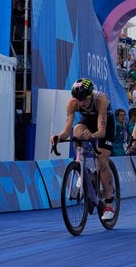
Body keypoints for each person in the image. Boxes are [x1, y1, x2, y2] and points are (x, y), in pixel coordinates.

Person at [50, 78, 116, 221]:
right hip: (87, 123)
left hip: (105, 126)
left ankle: (109, 204)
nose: (81, 102)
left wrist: (92, 136)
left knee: (102, 161)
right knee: (77, 133)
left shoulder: (101, 100)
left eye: (84, 98)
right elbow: (67, 129)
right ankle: (81, 167)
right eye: (78, 99)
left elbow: (101, 132)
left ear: (91, 94)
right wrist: (59, 136)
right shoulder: (73, 103)